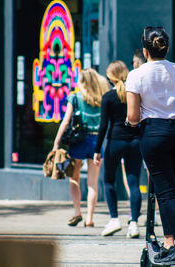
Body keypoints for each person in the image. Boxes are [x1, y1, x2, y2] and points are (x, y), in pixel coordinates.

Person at [126, 26, 175, 265]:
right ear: (165, 48)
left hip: (153, 134)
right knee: (164, 188)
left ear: (145, 51)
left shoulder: (136, 75)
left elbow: (133, 116)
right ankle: (168, 242)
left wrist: (129, 120)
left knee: (166, 193)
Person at [53, 68, 108, 227]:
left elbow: (65, 121)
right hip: (96, 141)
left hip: (78, 141)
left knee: (74, 177)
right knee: (93, 183)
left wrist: (57, 143)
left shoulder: (75, 97)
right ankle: (90, 218)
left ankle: (77, 211)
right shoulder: (101, 98)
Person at [93, 60, 142, 238]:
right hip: (136, 141)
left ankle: (114, 219)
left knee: (108, 181)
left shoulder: (108, 97)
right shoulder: (135, 94)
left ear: (110, 77)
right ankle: (134, 223)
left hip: (115, 142)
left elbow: (103, 126)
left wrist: (97, 150)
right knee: (134, 183)